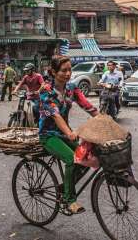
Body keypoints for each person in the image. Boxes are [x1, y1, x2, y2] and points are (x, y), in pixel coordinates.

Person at [39, 55, 99, 214]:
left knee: (88, 158)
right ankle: (69, 200)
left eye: (70, 70)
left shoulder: (72, 88)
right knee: (72, 159)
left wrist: (104, 120)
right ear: (53, 71)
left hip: (65, 134)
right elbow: (55, 114)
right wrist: (70, 133)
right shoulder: (45, 90)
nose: (68, 74)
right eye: (63, 70)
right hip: (49, 135)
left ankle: (66, 187)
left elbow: (87, 105)